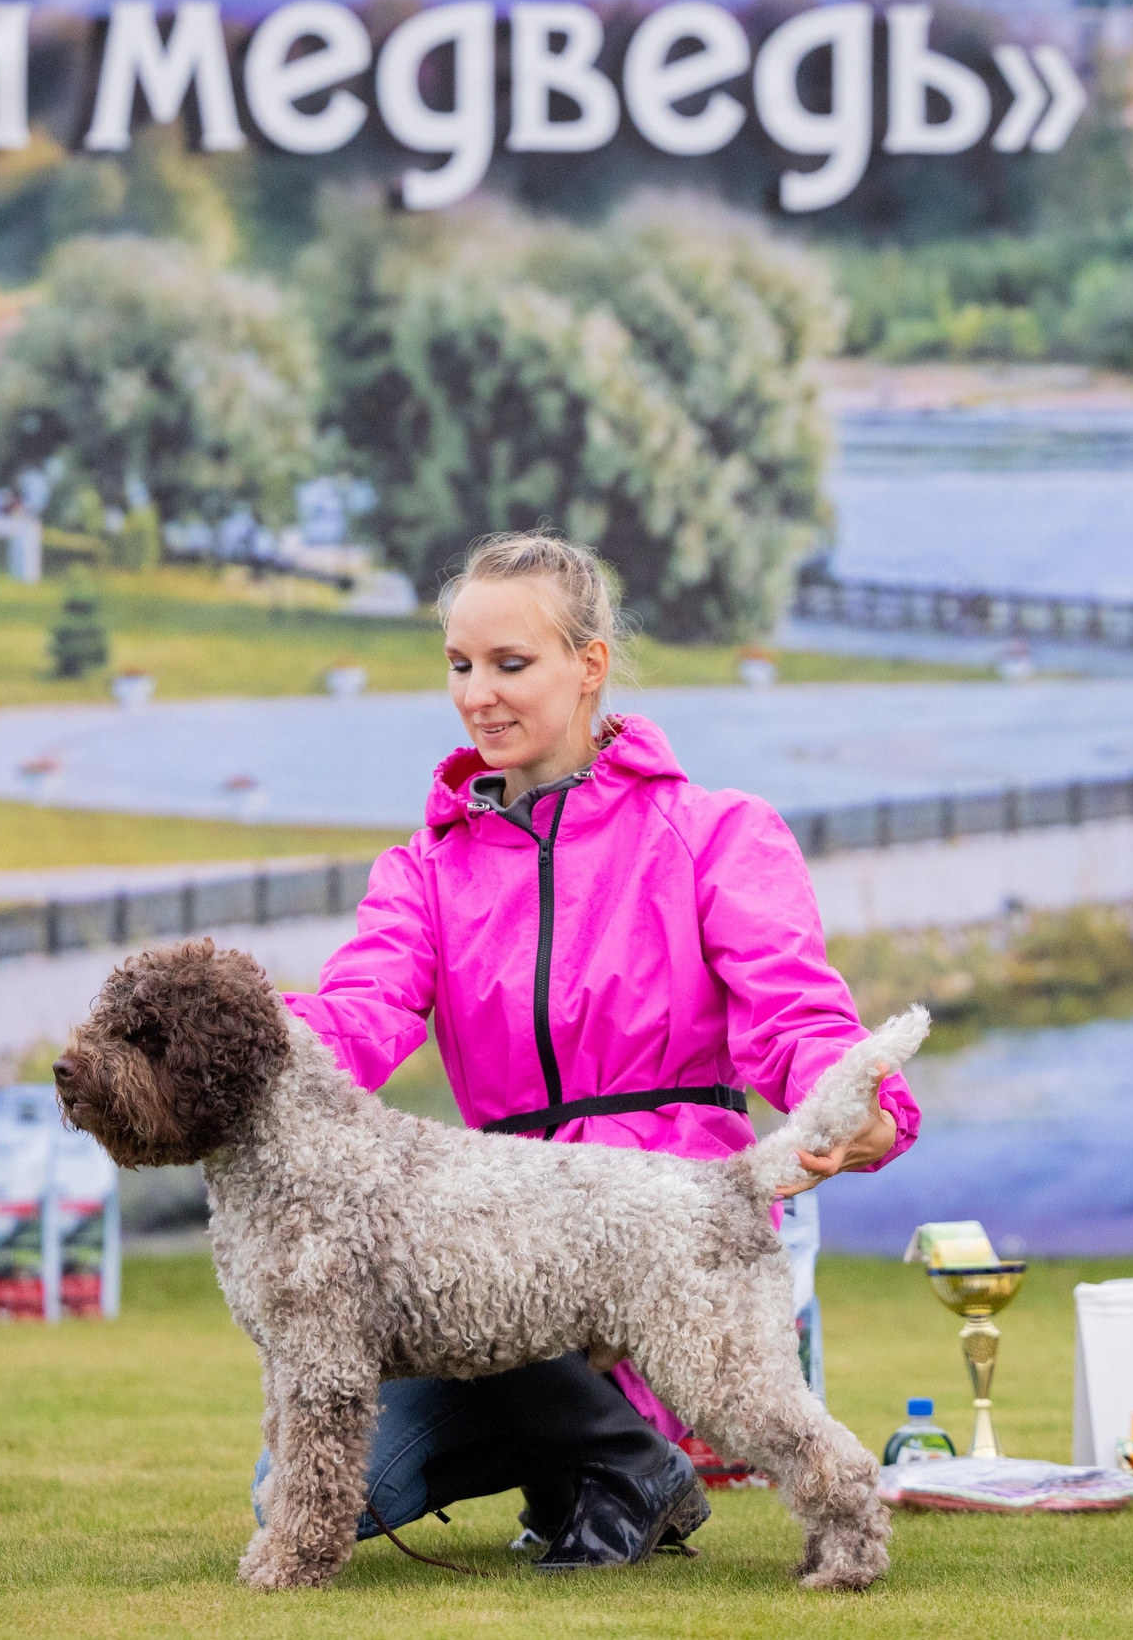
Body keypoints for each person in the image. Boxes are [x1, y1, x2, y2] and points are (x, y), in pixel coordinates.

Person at [266, 530, 921, 1571]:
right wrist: (247, 1042)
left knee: (470, 1276)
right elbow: (358, 1013)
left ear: (590, 664)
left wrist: (858, 1106)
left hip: (674, 1236)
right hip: (494, 1259)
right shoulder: (421, 872)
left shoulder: (719, 831)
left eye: (510, 663)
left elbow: (795, 1018)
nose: (478, 694)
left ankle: (611, 1459)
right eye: (459, 665)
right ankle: (605, 1464)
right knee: (301, 1492)